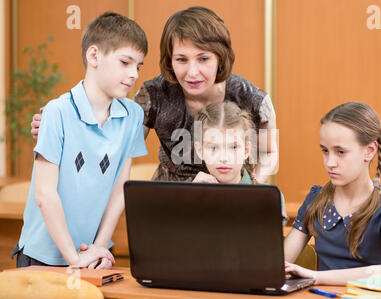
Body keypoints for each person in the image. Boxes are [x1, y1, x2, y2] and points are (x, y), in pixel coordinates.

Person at [31, 6, 278, 183]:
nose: (192, 72)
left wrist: (254, 184)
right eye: (181, 59)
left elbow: (269, 152)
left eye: (203, 59)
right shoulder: (153, 94)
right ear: (170, 61)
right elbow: (113, 141)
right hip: (169, 202)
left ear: (220, 58)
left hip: (232, 200)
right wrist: (62, 129)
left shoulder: (253, 99)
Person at [12, 12, 148, 269]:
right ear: (94, 55)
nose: (134, 75)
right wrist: (73, 259)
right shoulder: (57, 112)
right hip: (42, 257)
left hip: (94, 257)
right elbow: (44, 194)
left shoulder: (133, 115)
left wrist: (98, 247)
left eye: (138, 66)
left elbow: (121, 188)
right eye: (125, 62)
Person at [284, 101, 381, 286]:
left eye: (340, 152)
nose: (330, 162)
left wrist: (316, 277)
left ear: (369, 151)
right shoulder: (316, 200)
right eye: (325, 151)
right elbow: (279, 262)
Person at [192, 100, 288, 225]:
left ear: (246, 150)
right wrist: (190, 198)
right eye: (213, 148)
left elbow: (271, 241)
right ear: (200, 151)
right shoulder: (187, 196)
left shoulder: (268, 197)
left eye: (233, 147)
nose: (223, 158)